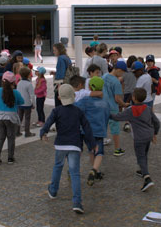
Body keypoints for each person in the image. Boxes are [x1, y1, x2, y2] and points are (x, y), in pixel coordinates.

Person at [40, 84, 96, 214]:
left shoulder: (56, 111)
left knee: (58, 166)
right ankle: (77, 202)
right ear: (74, 96)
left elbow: (48, 123)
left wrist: (43, 133)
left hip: (60, 144)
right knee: (74, 173)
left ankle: (53, 191)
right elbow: (87, 128)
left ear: (59, 97)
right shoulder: (78, 111)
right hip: (75, 145)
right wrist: (92, 144)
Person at [110, 88, 160, 192]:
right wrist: (155, 133)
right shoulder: (147, 108)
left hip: (139, 137)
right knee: (145, 154)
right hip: (149, 135)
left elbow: (116, 117)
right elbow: (156, 122)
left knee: (140, 156)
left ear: (133, 98)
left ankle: (147, 178)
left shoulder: (130, 110)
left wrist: (107, 113)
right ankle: (143, 170)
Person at [75, 76, 110, 186]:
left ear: (89, 87)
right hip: (99, 131)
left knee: (91, 150)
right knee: (99, 153)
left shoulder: (85, 100)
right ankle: (94, 170)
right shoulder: (105, 102)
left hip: (86, 131)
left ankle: (96, 171)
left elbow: (76, 109)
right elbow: (107, 116)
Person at [0, 71, 25, 165]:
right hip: (11, 116)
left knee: (0, 137)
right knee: (11, 137)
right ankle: (10, 157)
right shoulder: (15, 92)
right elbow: (22, 102)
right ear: (13, 82)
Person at [103, 60, 129, 156]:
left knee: (103, 128)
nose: (122, 74)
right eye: (122, 72)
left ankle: (100, 148)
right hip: (113, 108)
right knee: (115, 130)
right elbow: (117, 98)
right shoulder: (116, 82)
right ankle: (117, 149)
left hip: (103, 106)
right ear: (118, 70)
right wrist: (124, 104)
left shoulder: (104, 76)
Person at [50, 43, 72, 107]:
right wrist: (55, 73)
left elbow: (61, 73)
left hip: (61, 84)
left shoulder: (60, 58)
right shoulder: (66, 57)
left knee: (59, 105)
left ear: (59, 50)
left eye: (55, 50)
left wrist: (59, 86)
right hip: (67, 83)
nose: (54, 52)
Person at [16, 67, 36, 138]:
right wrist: (33, 104)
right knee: (27, 118)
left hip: (20, 104)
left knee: (19, 118)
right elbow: (32, 95)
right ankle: (27, 132)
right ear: (28, 75)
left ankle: (17, 131)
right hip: (27, 104)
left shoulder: (19, 83)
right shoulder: (29, 84)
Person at [122, 56, 138, 131]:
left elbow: (121, 82)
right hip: (134, 93)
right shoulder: (136, 73)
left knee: (127, 109)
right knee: (135, 108)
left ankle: (127, 123)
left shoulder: (124, 72)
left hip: (126, 93)